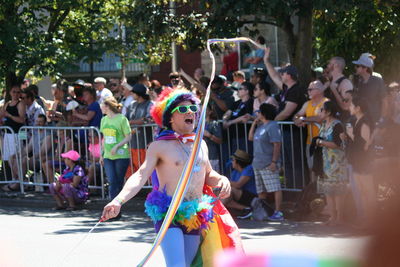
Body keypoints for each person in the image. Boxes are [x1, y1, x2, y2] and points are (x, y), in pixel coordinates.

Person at [101, 88, 234, 267]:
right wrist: (118, 200)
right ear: (170, 117)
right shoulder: (159, 146)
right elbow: (140, 175)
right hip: (168, 212)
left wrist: (222, 180)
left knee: (186, 264)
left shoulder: (200, 144)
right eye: (183, 109)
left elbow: (208, 174)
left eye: (193, 109)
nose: (190, 113)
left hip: (194, 213)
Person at [263, 47, 308, 189]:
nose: (280, 75)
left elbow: (287, 112)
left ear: (289, 75)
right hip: (286, 131)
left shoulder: (296, 90)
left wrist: (271, 122)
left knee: (296, 161)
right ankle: (291, 188)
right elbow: (274, 76)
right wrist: (266, 60)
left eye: (283, 73)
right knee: (288, 161)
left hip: (294, 132)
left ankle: (300, 190)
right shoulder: (286, 88)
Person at [248, 103, 283, 221]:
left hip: (268, 163)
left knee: (275, 188)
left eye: (259, 112)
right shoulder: (261, 126)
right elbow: (250, 137)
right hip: (257, 163)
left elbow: (277, 144)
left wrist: (274, 161)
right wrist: (254, 124)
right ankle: (263, 211)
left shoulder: (273, 125)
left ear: (264, 113)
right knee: (261, 190)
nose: (257, 114)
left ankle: (278, 212)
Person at [315, 101, 347, 226]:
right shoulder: (324, 124)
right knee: (328, 191)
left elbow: (338, 145)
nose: (321, 112)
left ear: (328, 112)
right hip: (326, 162)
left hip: (337, 163)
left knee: (338, 192)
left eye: (322, 110)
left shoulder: (337, 125)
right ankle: (332, 217)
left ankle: (340, 218)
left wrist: (320, 143)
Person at [100, 96, 131, 219]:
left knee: (118, 182)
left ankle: (116, 209)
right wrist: (102, 154)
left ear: (107, 106)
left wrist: (117, 146)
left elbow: (128, 137)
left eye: (102, 106)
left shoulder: (122, 119)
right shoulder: (103, 120)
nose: (101, 108)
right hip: (108, 156)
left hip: (121, 155)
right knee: (112, 182)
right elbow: (103, 138)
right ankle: (112, 212)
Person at [346, 96, 376, 226]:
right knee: (361, 191)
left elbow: (365, 145)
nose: (350, 107)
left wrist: (351, 134)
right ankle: (364, 219)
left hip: (364, 162)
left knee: (368, 191)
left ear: (358, 108)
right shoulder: (356, 120)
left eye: (352, 105)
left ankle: (372, 220)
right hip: (355, 161)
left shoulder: (364, 122)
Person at [293, 80, 329, 171]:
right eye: (308, 89)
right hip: (310, 142)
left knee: (325, 169)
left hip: (325, 142)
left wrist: (303, 119)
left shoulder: (326, 102)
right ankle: (313, 185)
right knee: (311, 168)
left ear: (320, 90)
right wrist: (297, 119)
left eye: (310, 89)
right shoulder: (307, 104)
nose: (308, 91)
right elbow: (296, 116)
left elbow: (320, 118)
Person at [125, 83, 153, 177]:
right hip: (131, 142)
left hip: (144, 143)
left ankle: (146, 189)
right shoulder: (131, 105)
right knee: (132, 168)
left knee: (143, 168)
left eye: (133, 93)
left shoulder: (150, 104)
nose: (131, 95)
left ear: (139, 94)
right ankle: (134, 190)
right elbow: (126, 120)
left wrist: (131, 122)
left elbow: (148, 119)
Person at [352, 53, 387, 125]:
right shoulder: (359, 81)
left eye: (358, 66)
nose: (356, 68)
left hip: (374, 121)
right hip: (362, 121)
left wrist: (382, 119)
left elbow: (384, 101)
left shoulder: (377, 81)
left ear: (365, 68)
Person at [223, 149, 257, 219]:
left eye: (233, 160)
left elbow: (238, 185)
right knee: (224, 196)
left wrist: (224, 180)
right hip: (241, 196)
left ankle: (215, 213)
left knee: (231, 190)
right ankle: (247, 209)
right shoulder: (235, 172)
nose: (231, 162)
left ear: (237, 162)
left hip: (251, 196)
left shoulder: (248, 169)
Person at [0, 85, 25, 165]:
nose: (16, 94)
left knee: (16, 158)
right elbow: (2, 114)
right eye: (14, 92)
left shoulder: (21, 104)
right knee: (7, 158)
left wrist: (9, 115)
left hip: (17, 134)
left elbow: (22, 120)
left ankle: (18, 176)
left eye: (18, 92)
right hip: (7, 134)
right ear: (10, 93)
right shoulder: (7, 104)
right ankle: (11, 176)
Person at [325, 57, 353, 122]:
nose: (327, 65)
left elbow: (346, 106)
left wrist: (334, 90)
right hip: (329, 124)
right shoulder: (330, 82)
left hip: (341, 124)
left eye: (329, 63)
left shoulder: (345, 83)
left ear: (336, 65)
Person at [204, 106, 223, 172]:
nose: (202, 110)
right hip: (200, 157)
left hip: (212, 157)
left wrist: (209, 135)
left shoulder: (214, 124)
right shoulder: (196, 125)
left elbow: (220, 141)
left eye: (205, 109)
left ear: (210, 112)